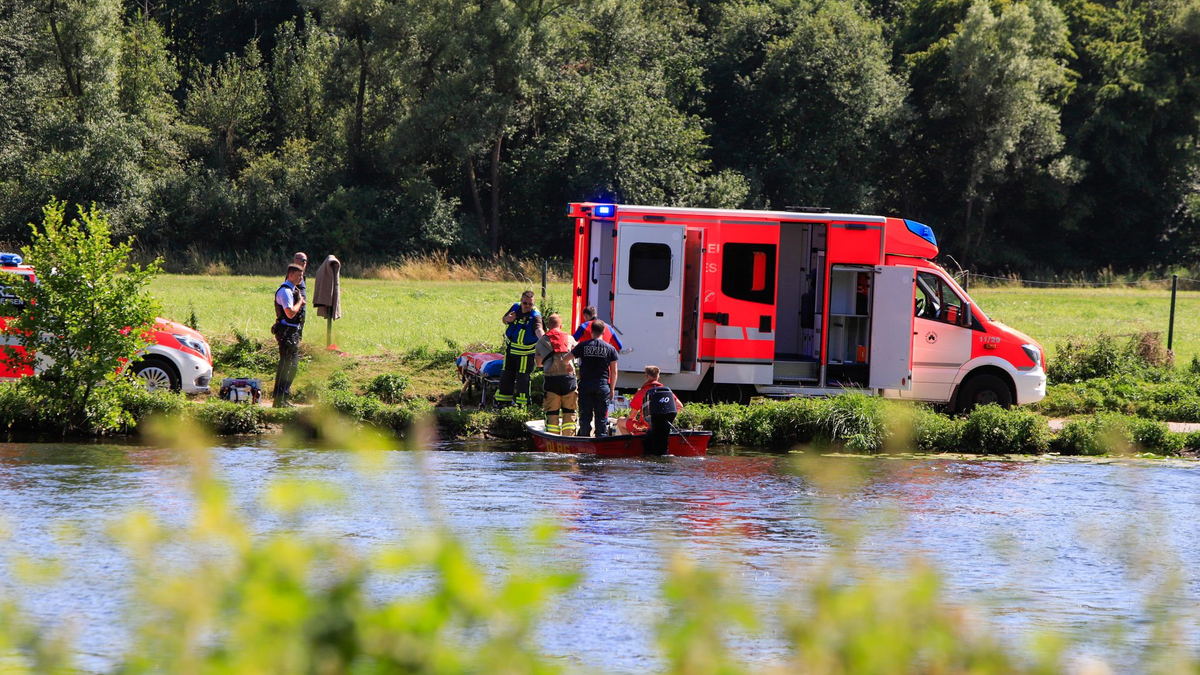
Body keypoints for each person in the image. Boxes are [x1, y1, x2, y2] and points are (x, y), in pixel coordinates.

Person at [617, 365, 683, 455]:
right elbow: (680, 406)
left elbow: (632, 416)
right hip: (664, 427)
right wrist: (669, 420)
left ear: (646, 376)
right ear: (658, 376)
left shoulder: (641, 393)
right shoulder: (666, 392)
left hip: (645, 428)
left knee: (620, 420)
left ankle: (631, 446)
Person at [495, 290, 543, 408]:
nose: (527, 306)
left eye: (530, 304)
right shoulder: (515, 307)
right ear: (521, 301)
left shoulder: (535, 316)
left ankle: (522, 405)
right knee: (506, 376)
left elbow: (539, 330)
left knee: (522, 379)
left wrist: (546, 341)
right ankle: (502, 403)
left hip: (525, 354)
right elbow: (504, 319)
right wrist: (507, 319)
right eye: (525, 303)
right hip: (511, 350)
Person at [571, 320, 618, 437]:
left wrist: (571, 370)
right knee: (601, 417)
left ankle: (584, 439)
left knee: (585, 415)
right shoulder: (610, 349)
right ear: (604, 331)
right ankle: (600, 441)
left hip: (586, 384)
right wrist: (611, 389)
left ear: (591, 331)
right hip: (602, 385)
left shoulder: (583, 345)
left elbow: (566, 358)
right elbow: (614, 371)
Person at [535, 313, 577, 435]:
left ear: (548, 326)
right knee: (569, 411)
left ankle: (553, 440)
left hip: (551, 381)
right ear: (561, 325)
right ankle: (568, 438)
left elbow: (538, 364)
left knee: (552, 413)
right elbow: (578, 354)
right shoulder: (570, 339)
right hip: (568, 380)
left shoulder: (541, 342)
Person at [272, 264, 306, 407]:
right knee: (286, 365)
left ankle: (284, 397)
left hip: (293, 332)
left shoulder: (293, 290)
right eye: (299, 275)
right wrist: (300, 301)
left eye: (302, 275)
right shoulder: (285, 291)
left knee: (292, 366)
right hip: (286, 331)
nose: (301, 278)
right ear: (290, 275)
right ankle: (279, 400)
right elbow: (290, 313)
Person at [292, 252, 308, 337]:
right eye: (302, 260)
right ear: (295, 260)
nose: (304, 262)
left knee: (299, 333)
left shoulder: (302, 275)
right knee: (295, 334)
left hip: (301, 309)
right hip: (295, 309)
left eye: (305, 260)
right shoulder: (293, 274)